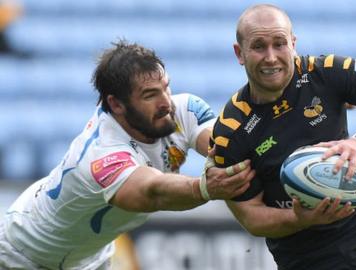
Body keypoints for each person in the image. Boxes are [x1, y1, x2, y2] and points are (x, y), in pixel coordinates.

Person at [210, 4, 356, 270]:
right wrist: (299, 218)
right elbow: (250, 216)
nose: (271, 57)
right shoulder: (230, 130)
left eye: (279, 44)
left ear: (293, 44)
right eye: (259, 46)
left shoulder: (326, 71)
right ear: (240, 53)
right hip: (303, 252)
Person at [0, 40, 254, 269]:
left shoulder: (184, 109)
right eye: (150, 95)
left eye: (165, 87)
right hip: (23, 256)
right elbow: (152, 192)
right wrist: (206, 188)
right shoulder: (100, 154)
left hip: (89, 259)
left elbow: (224, 149)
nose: (166, 102)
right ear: (116, 104)